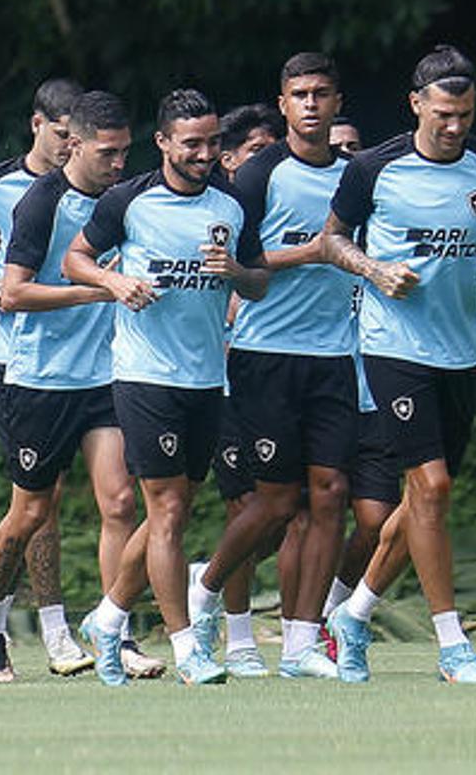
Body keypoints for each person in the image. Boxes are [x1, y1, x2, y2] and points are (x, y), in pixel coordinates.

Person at [324, 45, 476, 685]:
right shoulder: (375, 169)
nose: (455, 125)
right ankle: (452, 643)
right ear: (416, 105)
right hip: (392, 345)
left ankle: (353, 614)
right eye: (443, 113)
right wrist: (375, 270)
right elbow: (332, 240)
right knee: (430, 488)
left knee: (423, 502)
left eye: (464, 113)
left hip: (461, 349)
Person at [65, 89, 267, 687]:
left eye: (212, 142)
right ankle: (187, 648)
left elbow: (257, 283)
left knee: (166, 517)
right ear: (163, 143)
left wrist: (236, 273)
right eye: (193, 144)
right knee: (169, 511)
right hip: (144, 377)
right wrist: (114, 282)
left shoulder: (231, 204)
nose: (206, 153)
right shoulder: (129, 201)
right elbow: (77, 258)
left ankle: (106, 619)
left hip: (208, 378)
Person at [186, 57, 362, 679]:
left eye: (321, 94)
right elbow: (238, 264)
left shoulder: (356, 175)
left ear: (338, 101)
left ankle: (300, 645)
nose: (311, 104)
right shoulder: (259, 174)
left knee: (331, 496)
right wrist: (316, 252)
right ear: (282, 104)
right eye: (299, 95)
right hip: (266, 354)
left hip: (337, 355)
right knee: (275, 502)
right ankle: (203, 589)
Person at [0, 90, 136, 682]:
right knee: (31, 511)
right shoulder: (42, 202)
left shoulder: (123, 199)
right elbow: (12, 294)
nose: (119, 164)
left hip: (105, 375)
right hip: (41, 378)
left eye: (125, 153)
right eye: (108, 153)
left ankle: (115, 627)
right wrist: (99, 290)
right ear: (76, 143)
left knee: (120, 502)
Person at [199, 101, 286, 676]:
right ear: (227, 159)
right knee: (244, 506)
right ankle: (239, 638)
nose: (269, 162)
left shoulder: (260, 214)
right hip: (217, 379)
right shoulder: (202, 209)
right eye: (257, 152)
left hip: (274, 372)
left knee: (284, 508)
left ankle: (201, 579)